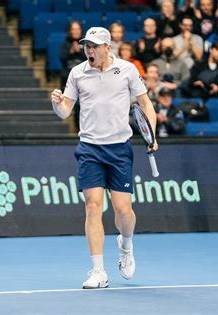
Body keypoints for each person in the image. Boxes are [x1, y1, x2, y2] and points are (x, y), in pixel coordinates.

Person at [51, 27, 157, 289]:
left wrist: (152, 135)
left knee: (124, 212)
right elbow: (65, 111)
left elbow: (145, 105)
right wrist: (56, 103)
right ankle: (98, 271)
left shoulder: (128, 70)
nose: (89, 50)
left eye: (95, 46)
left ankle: (126, 243)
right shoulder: (77, 73)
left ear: (107, 47)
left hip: (119, 148)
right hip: (89, 148)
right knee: (92, 205)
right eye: (87, 45)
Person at [60, 20, 86, 133]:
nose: (76, 31)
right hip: (69, 73)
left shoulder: (86, 43)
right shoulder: (65, 43)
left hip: (84, 74)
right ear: (70, 31)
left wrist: (79, 51)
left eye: (78, 29)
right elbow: (62, 58)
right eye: (73, 29)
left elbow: (91, 59)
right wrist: (71, 51)